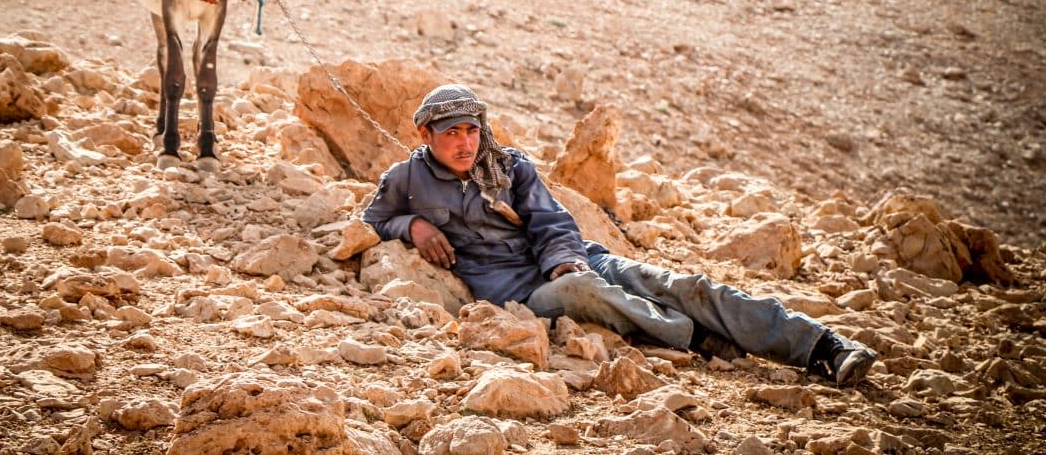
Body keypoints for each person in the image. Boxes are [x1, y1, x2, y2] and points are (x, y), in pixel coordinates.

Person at [362, 84, 877, 387]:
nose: (464, 143)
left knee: (681, 285)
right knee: (584, 291)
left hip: (570, 260)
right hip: (518, 291)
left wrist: (565, 259)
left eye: (471, 130)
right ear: (425, 134)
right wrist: (414, 224)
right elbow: (373, 219)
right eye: (451, 132)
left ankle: (822, 345)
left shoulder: (509, 165)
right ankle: (694, 337)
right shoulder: (406, 179)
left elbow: (551, 222)